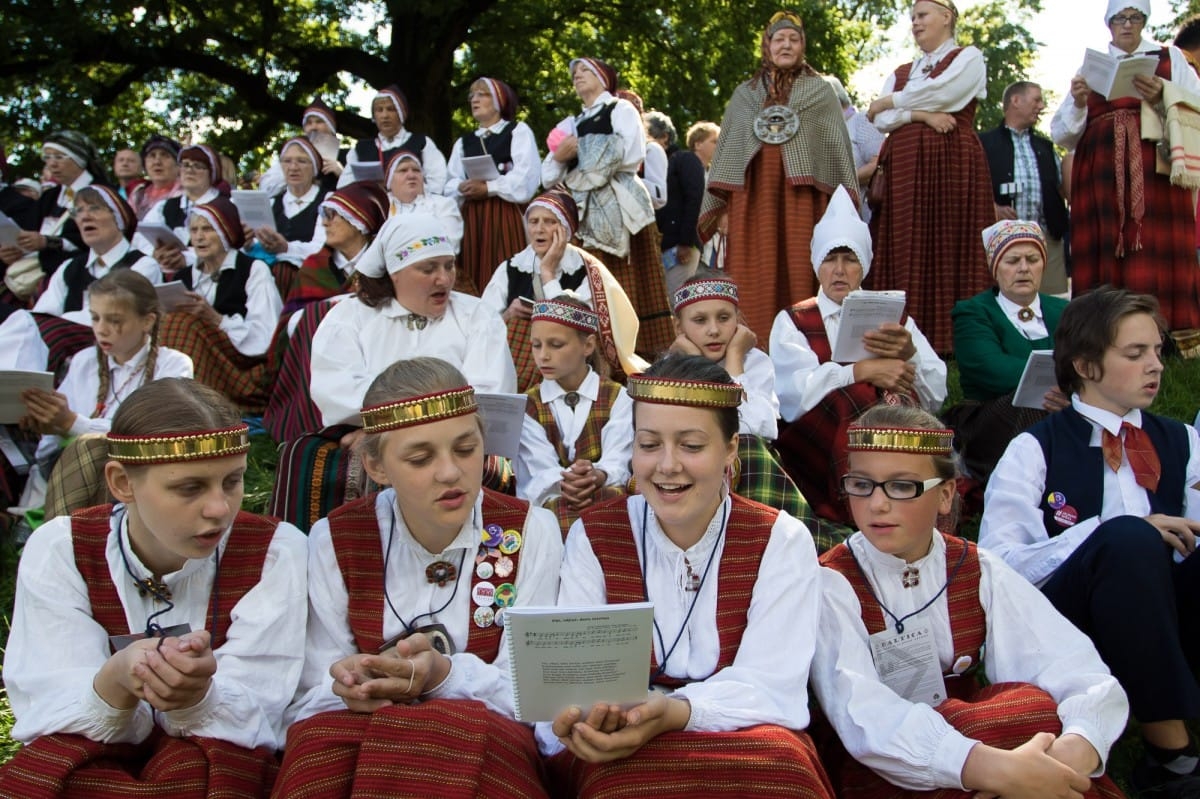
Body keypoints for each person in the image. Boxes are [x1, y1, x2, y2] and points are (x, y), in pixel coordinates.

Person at [540, 355, 834, 799]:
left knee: (782, 770)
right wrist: (588, 719)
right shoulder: (596, 535)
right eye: (649, 444)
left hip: (744, 733)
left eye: (692, 446)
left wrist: (678, 712)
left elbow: (773, 682)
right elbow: (578, 682)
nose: (667, 465)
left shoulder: (780, 539)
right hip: (625, 742)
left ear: (731, 449)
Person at [0, 378, 307, 798]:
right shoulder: (62, 548)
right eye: (189, 487)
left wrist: (199, 697)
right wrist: (115, 679)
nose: (220, 508)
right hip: (94, 752)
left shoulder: (276, 551)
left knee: (202, 774)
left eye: (232, 482)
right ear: (122, 483)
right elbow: (50, 701)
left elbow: (262, 699)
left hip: (215, 754)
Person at [273, 357, 561, 799]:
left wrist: (444, 676)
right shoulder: (336, 537)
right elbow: (312, 689)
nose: (449, 472)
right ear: (376, 468)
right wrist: (349, 683)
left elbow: (536, 696)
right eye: (420, 457)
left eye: (466, 449)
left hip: (480, 734)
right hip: (358, 731)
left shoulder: (532, 531)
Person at [812, 405, 1127, 799]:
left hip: (993, 745)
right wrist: (993, 768)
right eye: (861, 485)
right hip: (891, 768)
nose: (877, 504)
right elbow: (865, 719)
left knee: (1031, 706)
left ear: (945, 495)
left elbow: (1073, 667)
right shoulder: (831, 582)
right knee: (1023, 715)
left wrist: (1070, 752)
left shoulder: (977, 568)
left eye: (902, 486)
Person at [980, 286, 1200, 796]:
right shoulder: (1034, 447)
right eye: (1135, 353)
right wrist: (1101, 536)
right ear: (1085, 364)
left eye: (1157, 350)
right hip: (1070, 621)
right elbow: (999, 564)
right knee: (1124, 539)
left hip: (1167, 612)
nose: (1156, 365)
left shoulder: (1183, 440)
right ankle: (1172, 755)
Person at [771, 185, 945, 529]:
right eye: (830, 259)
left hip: (891, 426)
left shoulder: (894, 316)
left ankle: (906, 495)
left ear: (863, 264)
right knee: (855, 397)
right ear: (816, 264)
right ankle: (850, 506)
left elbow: (937, 395)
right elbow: (793, 398)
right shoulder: (793, 320)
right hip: (818, 442)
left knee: (894, 400)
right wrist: (862, 371)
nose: (839, 270)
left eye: (849, 259)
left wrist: (909, 356)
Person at [699, 12, 858, 344]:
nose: (786, 45)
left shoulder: (821, 92)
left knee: (802, 269)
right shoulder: (745, 95)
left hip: (804, 200)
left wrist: (837, 205)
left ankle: (807, 345)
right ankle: (751, 351)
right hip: (752, 201)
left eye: (794, 39)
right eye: (779, 39)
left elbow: (834, 152)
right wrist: (724, 208)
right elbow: (729, 151)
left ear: (803, 47)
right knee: (753, 275)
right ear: (766, 45)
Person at [1052, 0, 1200, 334]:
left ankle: (1169, 333)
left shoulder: (1170, 58)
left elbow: (1197, 103)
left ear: (1144, 21)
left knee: (1153, 245)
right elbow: (1063, 133)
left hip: (1154, 171)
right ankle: (1102, 334)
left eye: (1135, 17)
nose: (1127, 25)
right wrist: (1077, 101)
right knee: (1105, 248)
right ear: (1109, 23)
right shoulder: (1092, 67)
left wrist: (1165, 92)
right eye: (1120, 18)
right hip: (1100, 176)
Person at [865, 0, 994, 354]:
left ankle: (955, 340)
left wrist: (892, 102)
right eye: (912, 19)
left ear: (946, 17)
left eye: (921, 16)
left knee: (950, 240)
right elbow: (879, 119)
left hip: (951, 161)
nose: (915, 24)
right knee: (906, 243)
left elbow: (946, 93)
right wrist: (919, 115)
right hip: (906, 164)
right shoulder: (903, 70)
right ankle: (902, 336)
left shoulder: (969, 58)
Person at [310, 212, 515, 428]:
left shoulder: (478, 315)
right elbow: (339, 394)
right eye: (428, 269)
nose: (444, 279)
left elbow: (491, 396)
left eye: (449, 266)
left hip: (459, 443)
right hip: (376, 442)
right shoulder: (348, 318)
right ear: (394, 272)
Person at [17, 270, 193, 512]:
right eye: (95, 318)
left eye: (114, 321)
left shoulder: (174, 365)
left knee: (89, 448)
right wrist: (49, 424)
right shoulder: (83, 361)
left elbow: (152, 435)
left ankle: (65, 533)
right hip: (67, 468)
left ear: (147, 321)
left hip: (137, 469)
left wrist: (71, 423)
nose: (101, 329)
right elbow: (55, 439)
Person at [541, 56, 675, 360]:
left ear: (604, 77)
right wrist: (562, 156)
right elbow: (548, 175)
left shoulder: (620, 109)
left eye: (585, 70)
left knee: (630, 284)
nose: (578, 76)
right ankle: (599, 349)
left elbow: (628, 154)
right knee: (590, 279)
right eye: (574, 73)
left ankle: (639, 353)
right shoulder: (570, 122)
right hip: (585, 212)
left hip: (620, 207)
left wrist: (579, 154)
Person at [480, 189, 643, 391]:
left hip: (569, 358)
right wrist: (508, 314)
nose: (539, 229)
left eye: (550, 222)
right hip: (520, 359)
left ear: (565, 229)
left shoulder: (587, 270)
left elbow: (576, 324)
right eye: (534, 221)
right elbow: (482, 324)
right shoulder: (512, 267)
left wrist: (547, 272)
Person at [947, 220, 1070, 484]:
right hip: (989, 415)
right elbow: (990, 370)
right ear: (995, 268)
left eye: (1032, 259)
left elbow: (1088, 361)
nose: (1024, 268)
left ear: (1043, 264)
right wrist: (1067, 381)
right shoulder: (973, 312)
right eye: (1012, 261)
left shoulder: (1064, 311)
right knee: (1033, 406)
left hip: (1062, 405)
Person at [0, 185, 161, 374]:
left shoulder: (142, 265)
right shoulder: (70, 267)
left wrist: (55, 323)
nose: (85, 216)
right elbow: (42, 313)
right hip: (61, 335)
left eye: (94, 208)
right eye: (79, 211)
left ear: (118, 219)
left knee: (45, 331)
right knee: (23, 324)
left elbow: (118, 315)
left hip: (112, 338)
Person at [517, 296, 632, 537]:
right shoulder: (528, 405)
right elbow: (539, 470)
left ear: (588, 346)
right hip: (552, 501)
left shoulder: (618, 397)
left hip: (605, 496)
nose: (543, 355)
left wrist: (597, 475)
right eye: (536, 345)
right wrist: (571, 480)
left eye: (556, 345)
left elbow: (618, 460)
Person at [157, 196, 282, 411]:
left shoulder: (253, 270)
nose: (199, 237)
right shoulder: (184, 275)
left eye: (207, 229)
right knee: (171, 323)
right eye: (194, 230)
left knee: (184, 325)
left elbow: (265, 337)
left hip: (241, 366)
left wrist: (214, 319)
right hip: (198, 357)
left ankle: (184, 406)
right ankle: (172, 403)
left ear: (226, 231)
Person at [444, 76, 540, 294]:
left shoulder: (517, 131)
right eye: (472, 95)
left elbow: (527, 177)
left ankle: (511, 321)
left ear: (499, 100)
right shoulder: (464, 142)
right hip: (472, 217)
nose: (474, 100)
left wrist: (489, 188)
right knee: (472, 269)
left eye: (482, 94)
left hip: (504, 213)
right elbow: (450, 182)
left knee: (505, 265)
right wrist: (461, 187)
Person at [979, 80, 1070, 296]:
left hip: (1046, 239)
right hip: (1000, 238)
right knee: (1002, 303)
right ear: (1016, 101)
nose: (1041, 106)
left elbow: (1061, 190)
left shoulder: (1045, 147)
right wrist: (992, 207)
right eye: (1036, 99)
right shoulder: (983, 143)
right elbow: (969, 188)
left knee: (1052, 304)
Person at [0, 131, 110, 292]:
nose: (52, 164)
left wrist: (47, 242)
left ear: (78, 158)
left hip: (82, 280)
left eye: (59, 157)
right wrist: (12, 251)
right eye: (47, 158)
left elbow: (101, 241)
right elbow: (27, 231)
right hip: (41, 280)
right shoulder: (50, 197)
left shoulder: (102, 193)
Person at [342, 84, 447, 196]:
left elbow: (437, 184)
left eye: (391, 109)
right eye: (379, 110)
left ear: (401, 113)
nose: (385, 115)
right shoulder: (361, 149)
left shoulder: (422, 143)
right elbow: (344, 186)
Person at [136, 143, 223, 276]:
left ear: (212, 172)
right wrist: (156, 253)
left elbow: (227, 250)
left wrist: (186, 259)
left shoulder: (226, 207)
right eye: (185, 165)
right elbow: (140, 239)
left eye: (198, 166)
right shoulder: (164, 207)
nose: (189, 170)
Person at [647, 110, 705, 296]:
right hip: (660, 246)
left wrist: (685, 242)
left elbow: (694, 198)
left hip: (680, 247)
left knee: (677, 302)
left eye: (647, 136)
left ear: (664, 137)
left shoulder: (684, 159)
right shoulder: (647, 166)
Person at [251, 137, 329, 272]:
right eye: (287, 161)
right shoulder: (270, 203)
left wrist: (286, 248)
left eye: (302, 161)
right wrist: (248, 243)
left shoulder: (328, 201)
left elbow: (321, 248)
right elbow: (256, 248)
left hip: (312, 277)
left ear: (314, 167)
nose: (293, 167)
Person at [825, 75, 886, 223]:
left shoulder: (861, 120)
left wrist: (838, 182)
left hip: (862, 212)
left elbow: (877, 164)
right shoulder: (825, 131)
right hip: (832, 213)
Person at [258, 98, 346, 198]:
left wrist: (341, 173)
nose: (313, 127)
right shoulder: (293, 154)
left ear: (331, 127)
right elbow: (266, 188)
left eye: (319, 122)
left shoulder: (349, 155)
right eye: (309, 123)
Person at [384, 151, 463, 253]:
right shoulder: (381, 206)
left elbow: (448, 244)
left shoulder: (443, 205)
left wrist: (405, 252)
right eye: (403, 170)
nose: (411, 175)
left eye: (416, 170)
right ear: (390, 180)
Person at [127, 134, 183, 220]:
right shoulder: (138, 194)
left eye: (165, 155)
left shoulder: (187, 194)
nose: (157, 162)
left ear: (178, 165)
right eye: (152, 156)